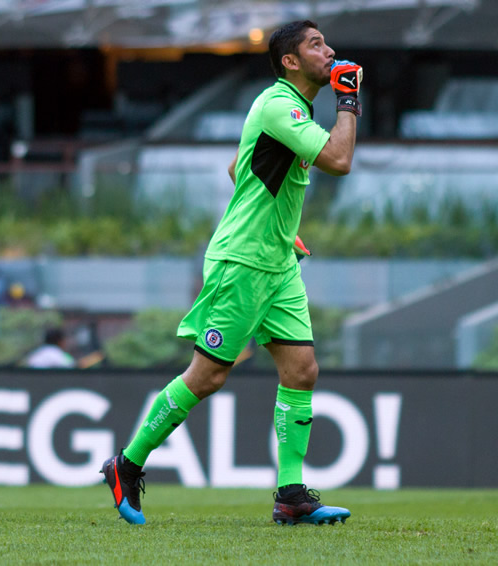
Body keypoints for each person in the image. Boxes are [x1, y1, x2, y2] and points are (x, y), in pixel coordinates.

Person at [101, 20, 362, 526]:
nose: (328, 50)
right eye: (315, 44)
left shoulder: (291, 112)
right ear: (290, 61)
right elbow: (339, 158)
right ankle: (125, 464)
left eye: (326, 42)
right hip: (242, 261)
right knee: (208, 375)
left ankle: (290, 496)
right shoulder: (279, 104)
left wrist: (282, 227)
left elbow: (236, 169)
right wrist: (348, 101)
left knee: (301, 369)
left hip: (277, 262)